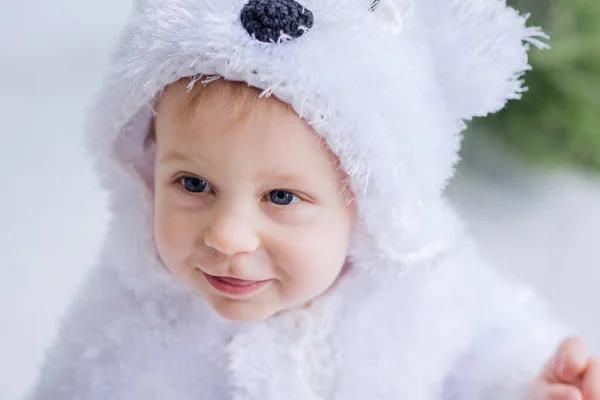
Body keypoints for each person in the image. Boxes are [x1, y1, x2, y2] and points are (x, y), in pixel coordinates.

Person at [28, 0, 599, 398]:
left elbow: (486, 347)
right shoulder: (130, 318)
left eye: (280, 195)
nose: (227, 235)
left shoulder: (422, 287)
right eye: (193, 184)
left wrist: (528, 383)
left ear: (369, 205)